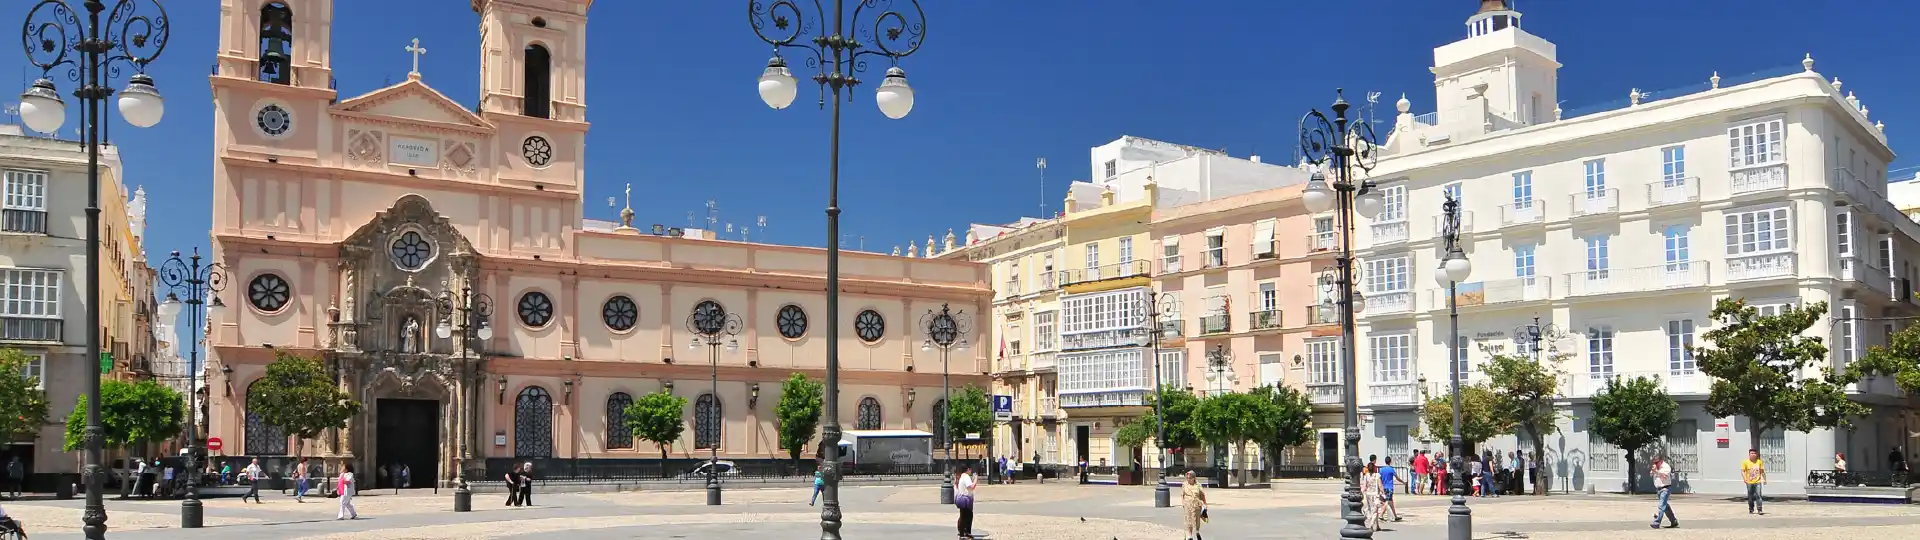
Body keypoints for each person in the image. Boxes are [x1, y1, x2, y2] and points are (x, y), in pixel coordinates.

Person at [1649, 454, 1679, 529]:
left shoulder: (1666, 467)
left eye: (1656, 462)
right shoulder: (1656, 467)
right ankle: (1673, 521)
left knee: (1661, 505)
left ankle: (1657, 522)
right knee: (1665, 507)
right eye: (1654, 462)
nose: (1655, 464)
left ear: (1661, 461)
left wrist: (1656, 471)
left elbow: (1664, 476)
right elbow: (1651, 475)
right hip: (1658, 489)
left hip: (1665, 488)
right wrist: (1653, 471)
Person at [1181, 470, 1207, 540]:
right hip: (1188, 504)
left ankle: (1197, 532)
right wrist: (1183, 503)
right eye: (1187, 478)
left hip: (1196, 505)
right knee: (1189, 519)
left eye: (1189, 478)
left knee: (1196, 520)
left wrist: (1205, 504)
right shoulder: (1184, 484)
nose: (1188, 479)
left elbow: (1202, 495)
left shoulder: (1198, 485)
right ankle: (1190, 535)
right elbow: (1182, 495)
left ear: (1193, 478)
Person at [1361, 461, 1385, 531]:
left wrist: (1362, 492)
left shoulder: (1366, 476)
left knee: (1371, 509)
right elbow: (1380, 485)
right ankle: (1371, 525)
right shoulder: (1377, 475)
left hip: (1368, 494)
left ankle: (1377, 526)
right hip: (1375, 495)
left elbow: (1364, 486)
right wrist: (1383, 492)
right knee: (1375, 511)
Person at [954, 465, 977, 540]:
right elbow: (971, 487)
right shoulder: (966, 477)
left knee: (968, 515)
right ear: (968, 469)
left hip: (963, 498)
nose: (971, 471)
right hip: (965, 499)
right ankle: (962, 534)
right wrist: (975, 480)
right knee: (965, 516)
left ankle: (966, 532)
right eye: (970, 470)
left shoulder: (962, 477)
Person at [1742, 448, 1766, 514]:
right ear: (1749, 454)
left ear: (1756, 454)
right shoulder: (1745, 462)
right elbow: (1743, 471)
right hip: (1749, 482)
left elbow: (1762, 471)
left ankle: (1759, 509)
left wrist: (1764, 479)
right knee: (1750, 496)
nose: (1753, 454)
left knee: (1758, 495)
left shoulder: (1759, 462)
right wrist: (1745, 479)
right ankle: (1751, 508)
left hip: (1757, 481)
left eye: (1754, 453)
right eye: (1752, 453)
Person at [1377, 457, 1400, 522]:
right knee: (1387, 502)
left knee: (1391, 502)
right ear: (1390, 461)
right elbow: (1397, 477)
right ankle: (1381, 515)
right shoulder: (1391, 469)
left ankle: (1395, 516)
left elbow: (1379, 479)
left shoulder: (1382, 470)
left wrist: (1380, 488)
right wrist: (1402, 482)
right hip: (1389, 488)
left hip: (1384, 487)